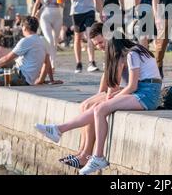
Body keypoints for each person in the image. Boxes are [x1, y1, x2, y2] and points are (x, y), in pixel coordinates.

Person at [35, 35, 162, 175]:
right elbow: (123, 86)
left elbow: (132, 86)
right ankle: (59, 130)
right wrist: (113, 94)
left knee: (101, 109)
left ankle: (98, 156)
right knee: (98, 108)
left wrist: (114, 96)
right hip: (143, 91)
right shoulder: (135, 51)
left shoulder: (132, 54)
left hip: (147, 94)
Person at [32, 0, 64, 71]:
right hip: (45, 16)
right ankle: (47, 63)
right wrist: (32, 16)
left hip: (57, 15)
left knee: (55, 41)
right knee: (49, 39)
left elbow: (62, 5)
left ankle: (52, 64)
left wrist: (61, 1)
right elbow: (37, 3)